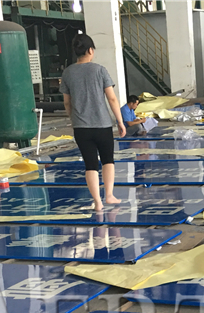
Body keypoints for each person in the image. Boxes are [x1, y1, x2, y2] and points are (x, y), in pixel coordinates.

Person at [60, 33, 126, 211]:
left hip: (81, 127)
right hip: (102, 125)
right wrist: (120, 121)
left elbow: (67, 102)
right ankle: (109, 195)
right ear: (90, 50)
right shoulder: (99, 70)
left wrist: (73, 118)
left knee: (90, 165)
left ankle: (97, 202)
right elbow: (112, 99)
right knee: (107, 160)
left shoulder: (67, 73)